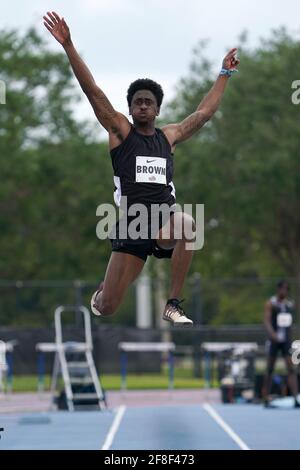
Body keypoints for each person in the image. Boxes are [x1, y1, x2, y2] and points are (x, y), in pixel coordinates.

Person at [43, 11, 239, 326]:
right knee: (108, 307)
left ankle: (173, 304)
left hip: (163, 221)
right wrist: (68, 46)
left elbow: (203, 113)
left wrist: (223, 74)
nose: (143, 105)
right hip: (133, 225)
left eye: (149, 102)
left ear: (158, 108)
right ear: (131, 108)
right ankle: (100, 294)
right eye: (137, 102)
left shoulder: (169, 137)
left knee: (189, 224)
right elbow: (93, 92)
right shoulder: (121, 132)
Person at [263, 280, 300, 407]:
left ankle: (296, 397)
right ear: (278, 290)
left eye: (286, 290)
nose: (284, 292)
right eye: (282, 289)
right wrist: (273, 335)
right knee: (270, 368)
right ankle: (266, 398)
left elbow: (289, 322)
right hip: (274, 340)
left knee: (291, 368)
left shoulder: (289, 304)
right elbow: (267, 321)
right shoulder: (271, 303)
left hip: (286, 340)